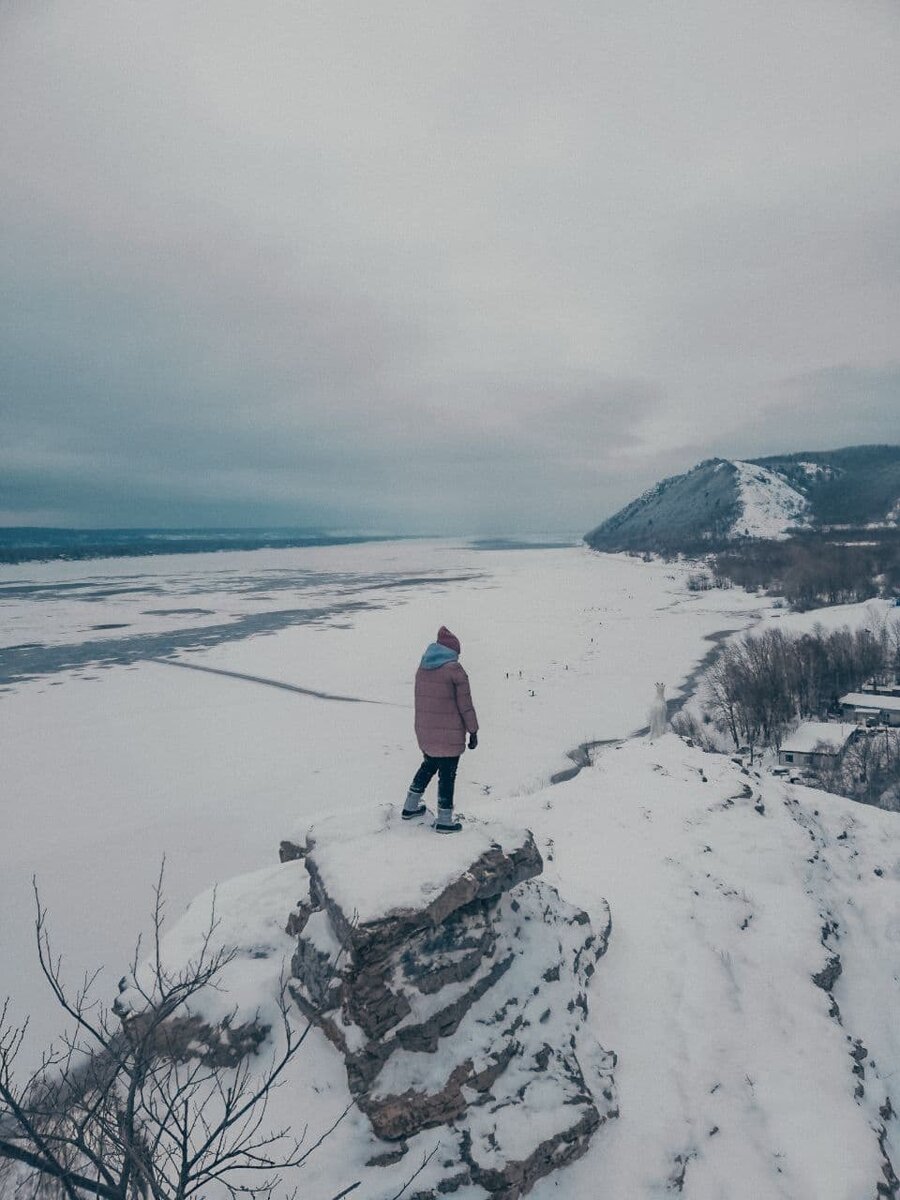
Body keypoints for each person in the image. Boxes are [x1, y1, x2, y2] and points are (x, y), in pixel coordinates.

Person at [402, 625, 479, 833]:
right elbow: (466, 705)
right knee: (447, 774)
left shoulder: (423, 667)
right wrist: (473, 730)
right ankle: (445, 821)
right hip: (449, 733)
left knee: (428, 765)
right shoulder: (455, 670)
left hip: (425, 731)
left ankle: (410, 806)